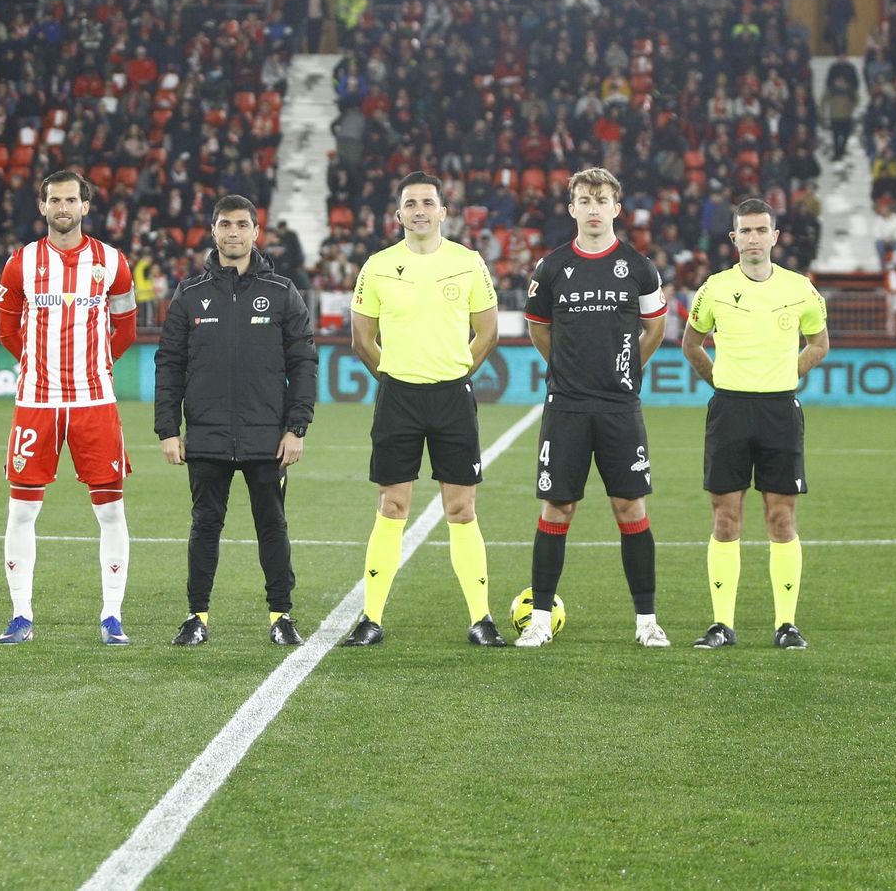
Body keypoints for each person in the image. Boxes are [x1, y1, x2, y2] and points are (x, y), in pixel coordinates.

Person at [342, 171, 506, 647]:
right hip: (399, 398)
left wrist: (455, 372)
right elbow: (362, 339)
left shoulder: (468, 262)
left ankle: (481, 619)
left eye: (427, 202)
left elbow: (488, 332)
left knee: (461, 508)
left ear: (442, 212)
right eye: (410, 202)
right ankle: (371, 618)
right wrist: (394, 375)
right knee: (392, 506)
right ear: (398, 215)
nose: (419, 209)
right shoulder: (376, 266)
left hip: (453, 396)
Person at [155, 195, 318, 646]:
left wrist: (296, 427)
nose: (233, 233)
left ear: (255, 232)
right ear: (213, 231)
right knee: (205, 524)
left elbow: (303, 362)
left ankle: (281, 616)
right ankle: (196, 616)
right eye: (225, 225)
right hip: (205, 436)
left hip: (268, 436)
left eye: (242, 225)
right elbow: (168, 363)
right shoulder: (190, 294)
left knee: (272, 525)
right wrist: (169, 429)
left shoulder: (282, 292)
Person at [517, 168, 669, 648]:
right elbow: (540, 329)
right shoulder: (552, 267)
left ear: (617, 208)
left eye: (602, 200)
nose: (594, 208)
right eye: (584, 200)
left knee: (630, 507)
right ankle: (540, 619)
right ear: (572, 208)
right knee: (558, 507)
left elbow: (656, 328)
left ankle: (646, 622)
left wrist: (625, 373)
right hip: (566, 407)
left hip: (620, 407)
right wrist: (567, 368)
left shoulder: (639, 267)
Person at [0, 170, 139, 645]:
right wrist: (42, 368)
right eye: (54, 200)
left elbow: (127, 329)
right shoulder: (20, 264)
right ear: (42, 207)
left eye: (71, 200)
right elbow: (8, 331)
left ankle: (112, 615)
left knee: (111, 512)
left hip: (95, 402)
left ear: (85, 206)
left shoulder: (113, 262)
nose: (62, 207)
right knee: (21, 512)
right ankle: (20, 615)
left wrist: (91, 366)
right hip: (36, 402)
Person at [681, 198, 829, 651]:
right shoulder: (713, 288)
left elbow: (819, 343)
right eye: (745, 232)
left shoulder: (801, 289)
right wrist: (720, 380)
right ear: (733, 239)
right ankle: (722, 624)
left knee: (781, 518)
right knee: (726, 518)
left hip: (779, 411)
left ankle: (786, 624)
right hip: (729, 410)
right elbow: (691, 344)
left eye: (761, 230)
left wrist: (786, 376)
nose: (753, 239)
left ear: (775, 237)